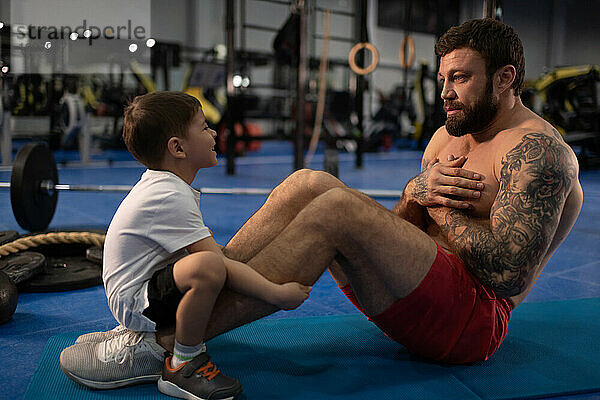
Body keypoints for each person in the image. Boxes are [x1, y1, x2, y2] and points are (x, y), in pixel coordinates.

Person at [60, 18, 583, 389]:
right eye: (443, 78)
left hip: (470, 324)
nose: (446, 91)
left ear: (506, 78)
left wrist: (437, 204)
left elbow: (509, 277)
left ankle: (160, 347)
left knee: (336, 211)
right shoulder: (450, 137)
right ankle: (179, 324)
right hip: (420, 292)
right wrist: (413, 193)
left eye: (461, 78)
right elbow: (402, 229)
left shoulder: (536, 153)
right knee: (307, 183)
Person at [60, 91, 311, 399]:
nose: (214, 133)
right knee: (207, 267)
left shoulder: (165, 184)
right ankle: (184, 363)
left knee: (211, 259)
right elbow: (215, 263)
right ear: (177, 147)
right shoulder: (170, 195)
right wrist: (277, 293)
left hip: (140, 288)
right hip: (135, 301)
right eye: (204, 127)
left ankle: (143, 336)